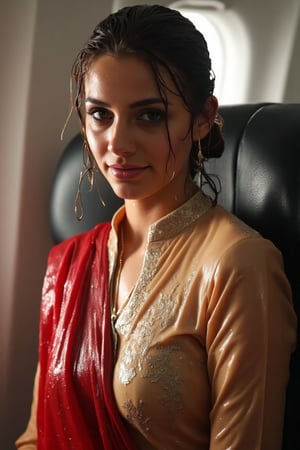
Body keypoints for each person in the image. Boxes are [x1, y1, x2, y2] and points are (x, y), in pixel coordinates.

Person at [16, 4, 296, 450]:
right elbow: (36, 437)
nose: (118, 144)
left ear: (203, 118)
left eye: (150, 115)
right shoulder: (70, 265)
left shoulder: (238, 266)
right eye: (100, 115)